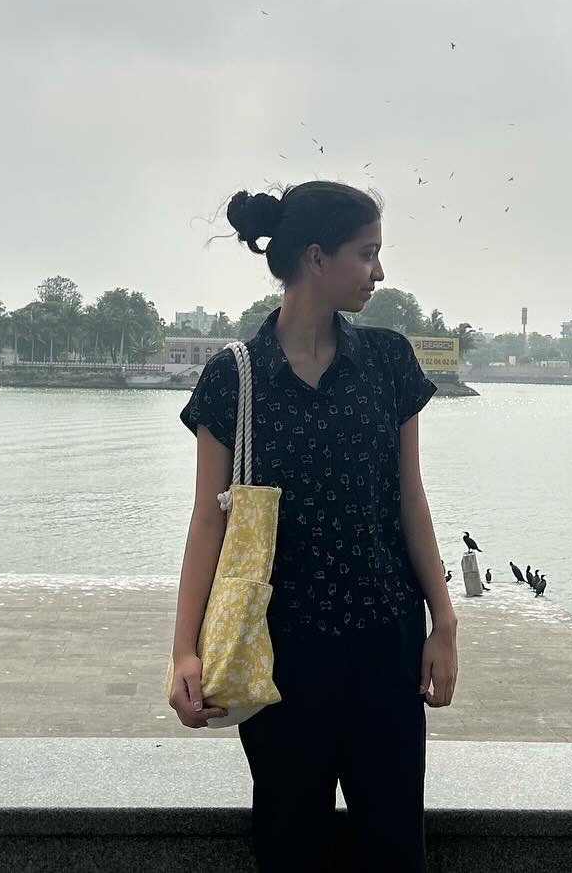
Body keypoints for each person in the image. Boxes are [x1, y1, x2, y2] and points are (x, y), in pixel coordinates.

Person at [169, 181, 459, 872]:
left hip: (386, 648)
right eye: (367, 253)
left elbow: (409, 498)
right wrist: (184, 651)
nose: (379, 272)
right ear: (317, 257)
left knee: (395, 852)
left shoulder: (388, 361)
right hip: (279, 659)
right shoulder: (234, 377)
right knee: (289, 850)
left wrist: (443, 622)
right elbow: (208, 522)